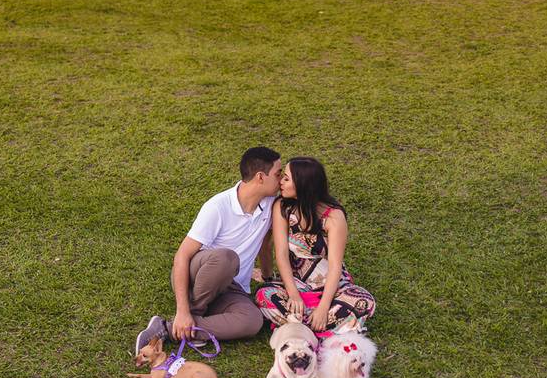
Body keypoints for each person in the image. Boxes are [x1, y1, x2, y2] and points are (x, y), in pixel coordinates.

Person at [135, 147, 282, 355]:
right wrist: (183, 310)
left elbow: (265, 245)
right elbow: (182, 256)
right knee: (227, 258)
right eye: (278, 173)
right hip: (200, 277)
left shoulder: (271, 205)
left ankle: (169, 328)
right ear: (260, 177)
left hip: (231, 288)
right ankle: (188, 315)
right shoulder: (218, 206)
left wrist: (267, 277)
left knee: (253, 321)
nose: (281, 179)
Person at [255, 157, 375, 337]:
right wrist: (293, 294)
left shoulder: (333, 217)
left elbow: (335, 266)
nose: (281, 182)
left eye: (286, 179)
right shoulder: (282, 207)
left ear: (303, 185)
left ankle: (298, 325)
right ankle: (322, 328)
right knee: (264, 294)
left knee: (364, 301)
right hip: (295, 283)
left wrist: (324, 307)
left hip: (331, 288)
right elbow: (281, 254)